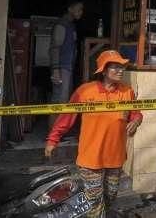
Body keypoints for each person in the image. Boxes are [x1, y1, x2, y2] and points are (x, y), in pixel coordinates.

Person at [45, 50, 143, 217]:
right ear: (104, 71)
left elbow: (136, 113)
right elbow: (66, 117)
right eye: (115, 67)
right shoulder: (85, 91)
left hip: (115, 156)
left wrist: (136, 121)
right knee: (95, 199)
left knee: (110, 195)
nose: (120, 71)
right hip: (90, 157)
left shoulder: (127, 92)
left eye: (122, 67)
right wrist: (52, 140)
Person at [49, 0, 84, 127]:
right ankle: (52, 135)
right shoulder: (61, 25)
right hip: (61, 67)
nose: (81, 12)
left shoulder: (71, 25)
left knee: (64, 100)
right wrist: (55, 69)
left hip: (67, 68)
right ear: (70, 9)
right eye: (79, 8)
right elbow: (55, 47)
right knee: (58, 101)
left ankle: (59, 133)